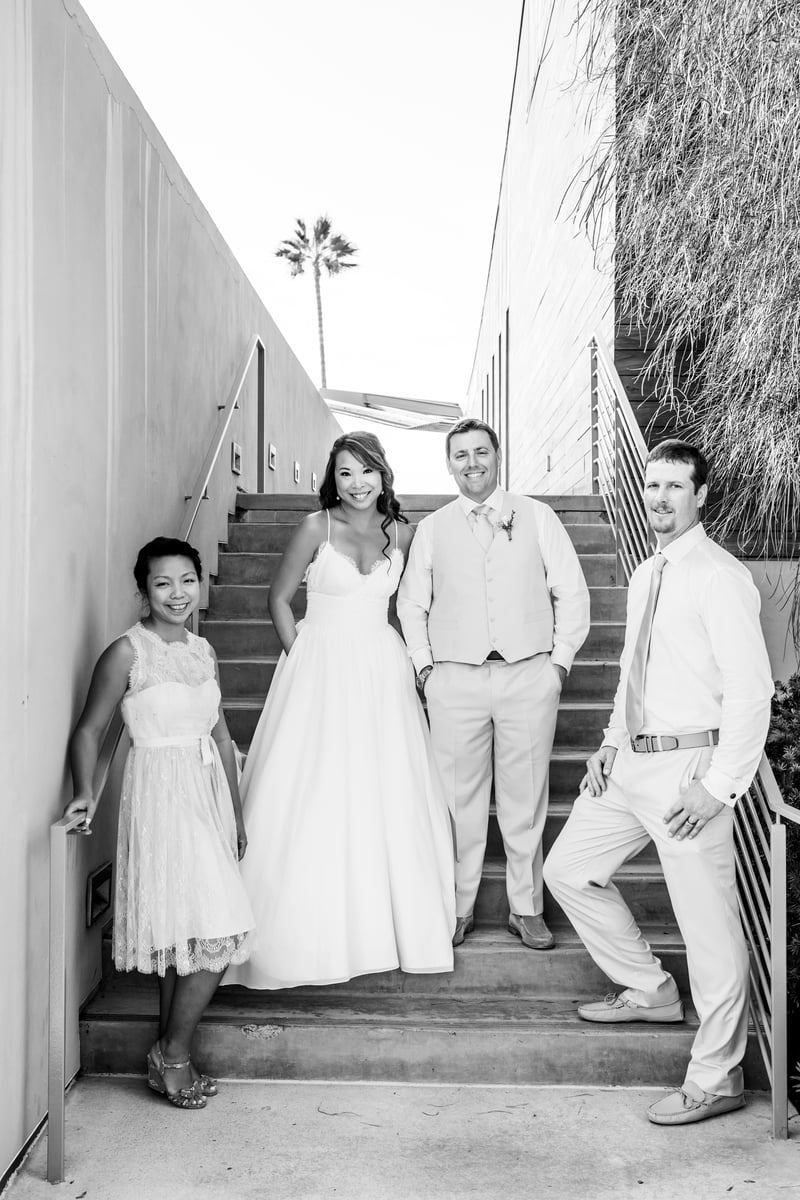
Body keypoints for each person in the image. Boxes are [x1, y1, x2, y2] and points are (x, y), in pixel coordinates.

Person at [543, 439, 774, 1125]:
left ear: (700, 495)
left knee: (709, 932)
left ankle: (718, 1078)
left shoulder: (720, 576)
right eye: (652, 486)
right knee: (567, 870)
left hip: (689, 773)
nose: (660, 498)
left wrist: (721, 785)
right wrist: (610, 743)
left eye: (675, 486)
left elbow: (751, 690)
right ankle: (649, 989)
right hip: (632, 766)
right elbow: (631, 671)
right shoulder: (648, 573)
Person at [223, 431, 455, 990]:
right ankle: (299, 933)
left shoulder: (403, 533)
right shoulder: (316, 527)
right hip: (319, 662)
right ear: (334, 477)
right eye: (345, 472)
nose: (357, 483)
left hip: (381, 665)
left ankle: (386, 924)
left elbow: (420, 604)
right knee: (314, 782)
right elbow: (279, 599)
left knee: (383, 784)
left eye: (366, 471)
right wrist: (301, 655)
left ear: (383, 474)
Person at [65, 537, 254, 1110]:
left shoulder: (203, 650)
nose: (178, 593)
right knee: (215, 929)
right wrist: (83, 793)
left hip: (206, 795)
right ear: (144, 590)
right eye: (163, 583)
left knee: (190, 933)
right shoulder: (127, 652)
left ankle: (168, 1052)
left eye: (187, 580)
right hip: (159, 798)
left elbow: (220, 734)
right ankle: (173, 1052)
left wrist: (235, 812)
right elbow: (89, 729)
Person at [397, 417, 591, 950]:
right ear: (449, 464)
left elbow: (571, 592)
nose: (472, 463)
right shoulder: (433, 528)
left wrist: (558, 666)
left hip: (528, 674)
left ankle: (525, 908)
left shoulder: (538, 515)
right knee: (456, 800)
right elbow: (411, 604)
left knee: (524, 798)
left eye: (480, 452)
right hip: (454, 680)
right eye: (460, 455)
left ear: (498, 455)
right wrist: (425, 669)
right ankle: (456, 907)